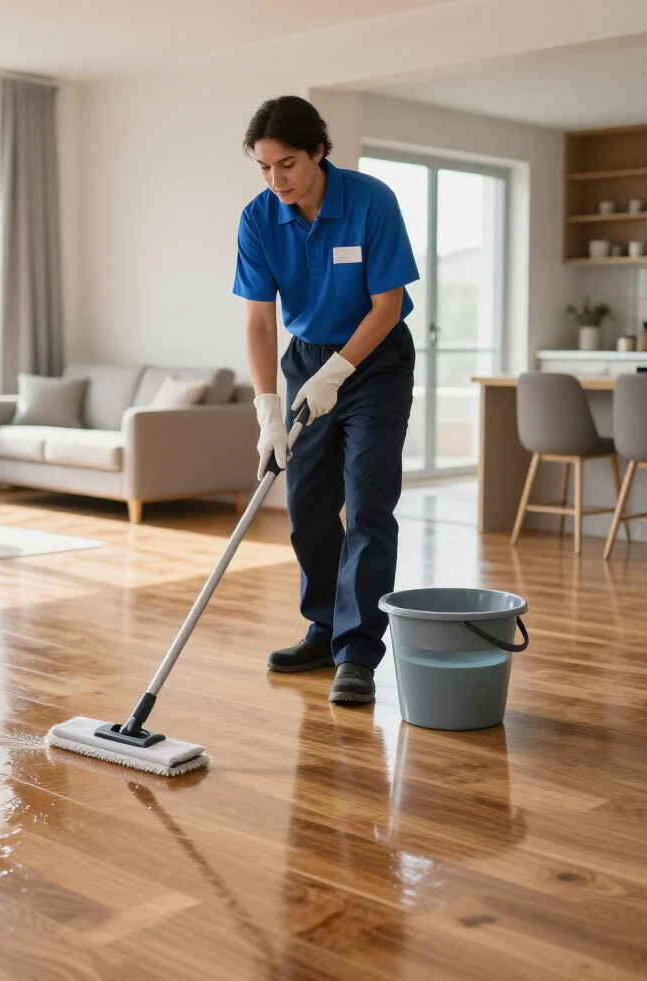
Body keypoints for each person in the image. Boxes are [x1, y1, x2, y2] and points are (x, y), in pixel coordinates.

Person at [233, 95, 418, 705]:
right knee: (307, 503)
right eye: (263, 167)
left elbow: (386, 307)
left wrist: (340, 371)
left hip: (375, 361)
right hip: (306, 361)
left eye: (286, 164)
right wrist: (267, 411)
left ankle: (359, 652)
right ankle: (325, 627)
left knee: (367, 505)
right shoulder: (259, 218)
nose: (275, 179)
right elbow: (261, 323)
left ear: (318, 151)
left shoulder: (371, 202)